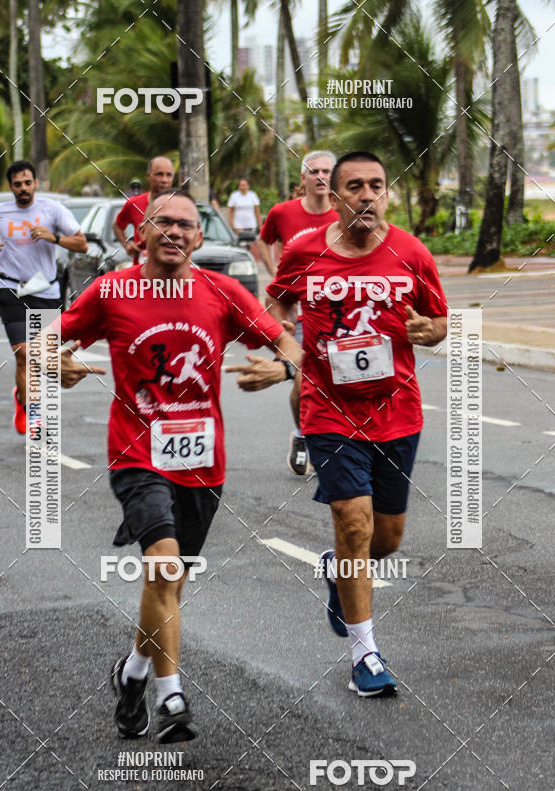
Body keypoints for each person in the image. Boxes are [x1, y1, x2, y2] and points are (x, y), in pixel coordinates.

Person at [46, 189, 300, 742]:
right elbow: (49, 340)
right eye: (163, 222)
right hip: (137, 453)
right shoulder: (112, 291)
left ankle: (133, 673)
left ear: (199, 237)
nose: (174, 232)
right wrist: (55, 364)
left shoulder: (222, 292)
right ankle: (172, 697)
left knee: (170, 586)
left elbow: (286, 339)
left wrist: (285, 371)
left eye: (186, 225)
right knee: (162, 566)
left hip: (202, 463)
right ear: (142, 233)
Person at [264, 151, 448, 697]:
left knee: (385, 540)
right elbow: (274, 305)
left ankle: (336, 570)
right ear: (336, 196)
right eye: (354, 186)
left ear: (386, 193)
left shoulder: (411, 252)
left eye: (376, 186)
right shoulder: (305, 250)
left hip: (397, 412)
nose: (367, 195)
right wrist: (292, 350)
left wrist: (428, 330)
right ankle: (365, 656)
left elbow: (440, 319)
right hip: (328, 410)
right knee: (354, 523)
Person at [0, 160, 87, 433]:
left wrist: (54, 238)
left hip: (45, 291)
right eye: (17, 184)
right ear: (11, 187)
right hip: (11, 289)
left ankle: (21, 395)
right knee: (24, 354)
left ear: (35, 183)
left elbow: (82, 243)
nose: (23, 188)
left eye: (27, 183)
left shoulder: (53, 210)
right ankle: (32, 413)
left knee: (41, 357)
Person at [258, 150, 338, 476]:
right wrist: (275, 271)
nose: (321, 177)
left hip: (336, 313)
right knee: (304, 382)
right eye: (314, 171)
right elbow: (263, 241)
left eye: (327, 172)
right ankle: (303, 434)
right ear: (303, 178)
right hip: (298, 312)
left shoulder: (343, 216)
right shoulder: (283, 213)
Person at [113, 157, 174, 262]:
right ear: (148, 176)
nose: (164, 180)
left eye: (169, 175)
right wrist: (127, 245)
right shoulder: (134, 204)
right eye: (159, 174)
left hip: (172, 272)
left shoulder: (182, 206)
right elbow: (117, 226)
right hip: (141, 271)